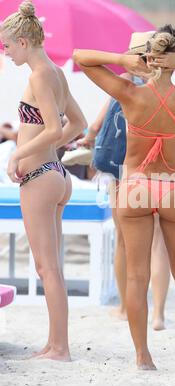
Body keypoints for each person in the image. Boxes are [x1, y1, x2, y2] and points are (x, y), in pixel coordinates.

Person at [73, 24, 175, 371]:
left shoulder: (129, 93)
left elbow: (80, 58)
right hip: (173, 186)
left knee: (136, 277)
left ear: (148, 56)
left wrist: (124, 61)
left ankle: (143, 357)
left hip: (137, 186)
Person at [77, 67, 175, 329]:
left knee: (125, 244)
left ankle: (125, 308)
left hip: (132, 177)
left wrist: (89, 140)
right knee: (161, 247)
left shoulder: (127, 88)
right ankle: (158, 314)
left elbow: (95, 125)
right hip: (171, 181)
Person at [0, 1, 87, 361]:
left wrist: (18, 153)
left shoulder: (38, 75)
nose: (4, 52)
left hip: (39, 177)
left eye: (6, 46)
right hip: (56, 175)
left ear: (22, 41)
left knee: (46, 267)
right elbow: (77, 124)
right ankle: (55, 344)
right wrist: (41, 149)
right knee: (52, 267)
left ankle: (60, 348)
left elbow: (53, 128)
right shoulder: (56, 72)